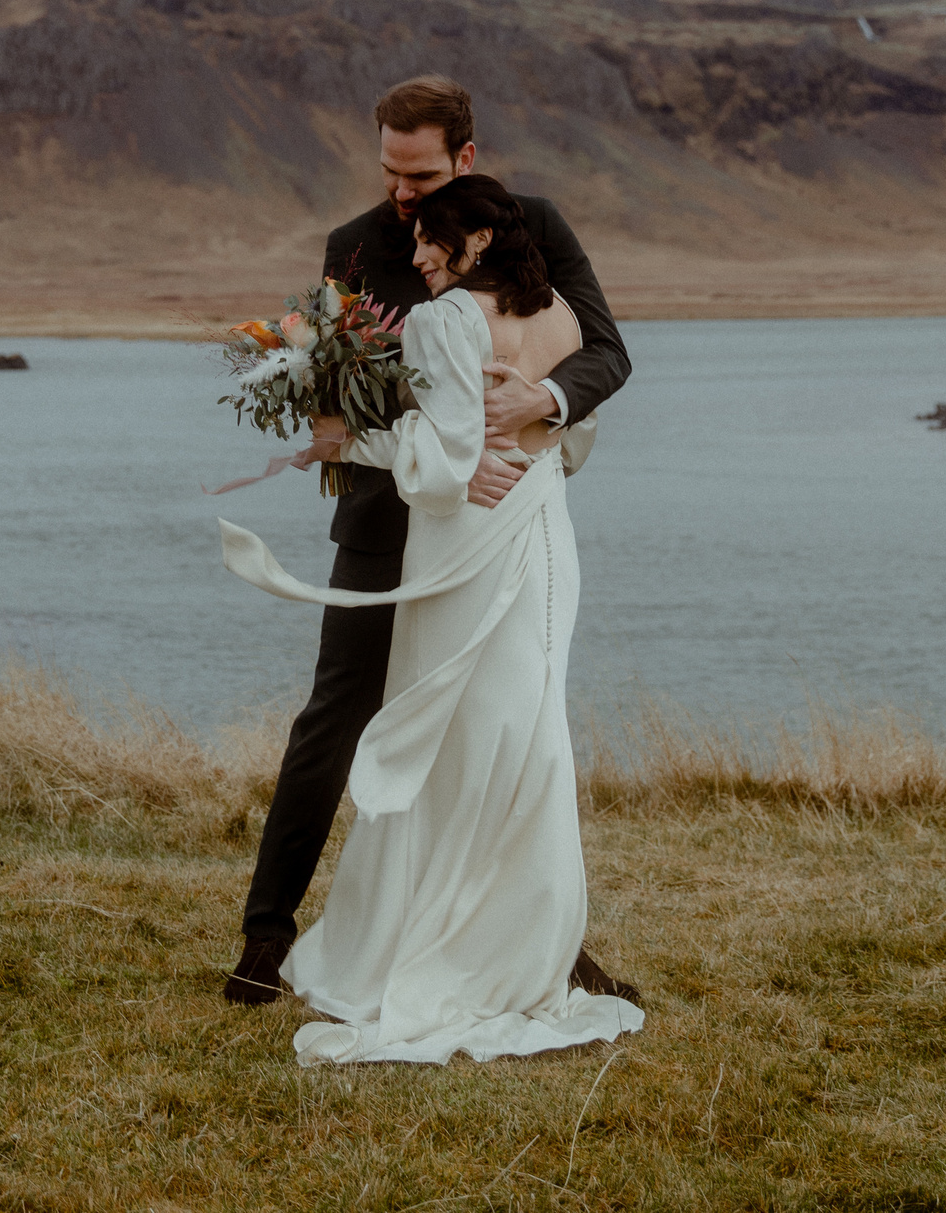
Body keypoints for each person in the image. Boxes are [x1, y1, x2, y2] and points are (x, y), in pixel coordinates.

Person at [223, 75, 638, 1010]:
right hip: (386, 519)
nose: (403, 195)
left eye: (420, 176)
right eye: (390, 172)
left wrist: (546, 399)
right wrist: (362, 430)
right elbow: (337, 387)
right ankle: (266, 932)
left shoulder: (533, 224)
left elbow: (606, 349)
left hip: (495, 525)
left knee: (510, 723)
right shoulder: (353, 245)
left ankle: (542, 948)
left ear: (466, 158)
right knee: (335, 716)